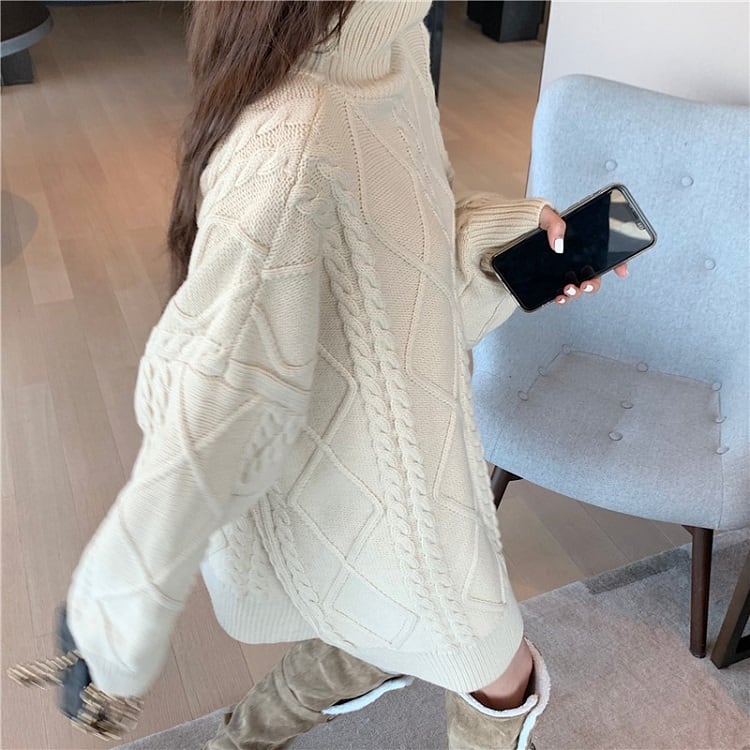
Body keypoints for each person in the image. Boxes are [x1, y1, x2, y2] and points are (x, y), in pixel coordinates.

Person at [10, 2, 626, 748]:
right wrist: (111, 622)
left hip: (409, 449)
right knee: (500, 672)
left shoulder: (390, 50)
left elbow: (388, 267)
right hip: (380, 493)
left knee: (386, 629)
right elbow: (219, 397)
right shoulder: (294, 138)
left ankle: (244, 736)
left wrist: (508, 247)